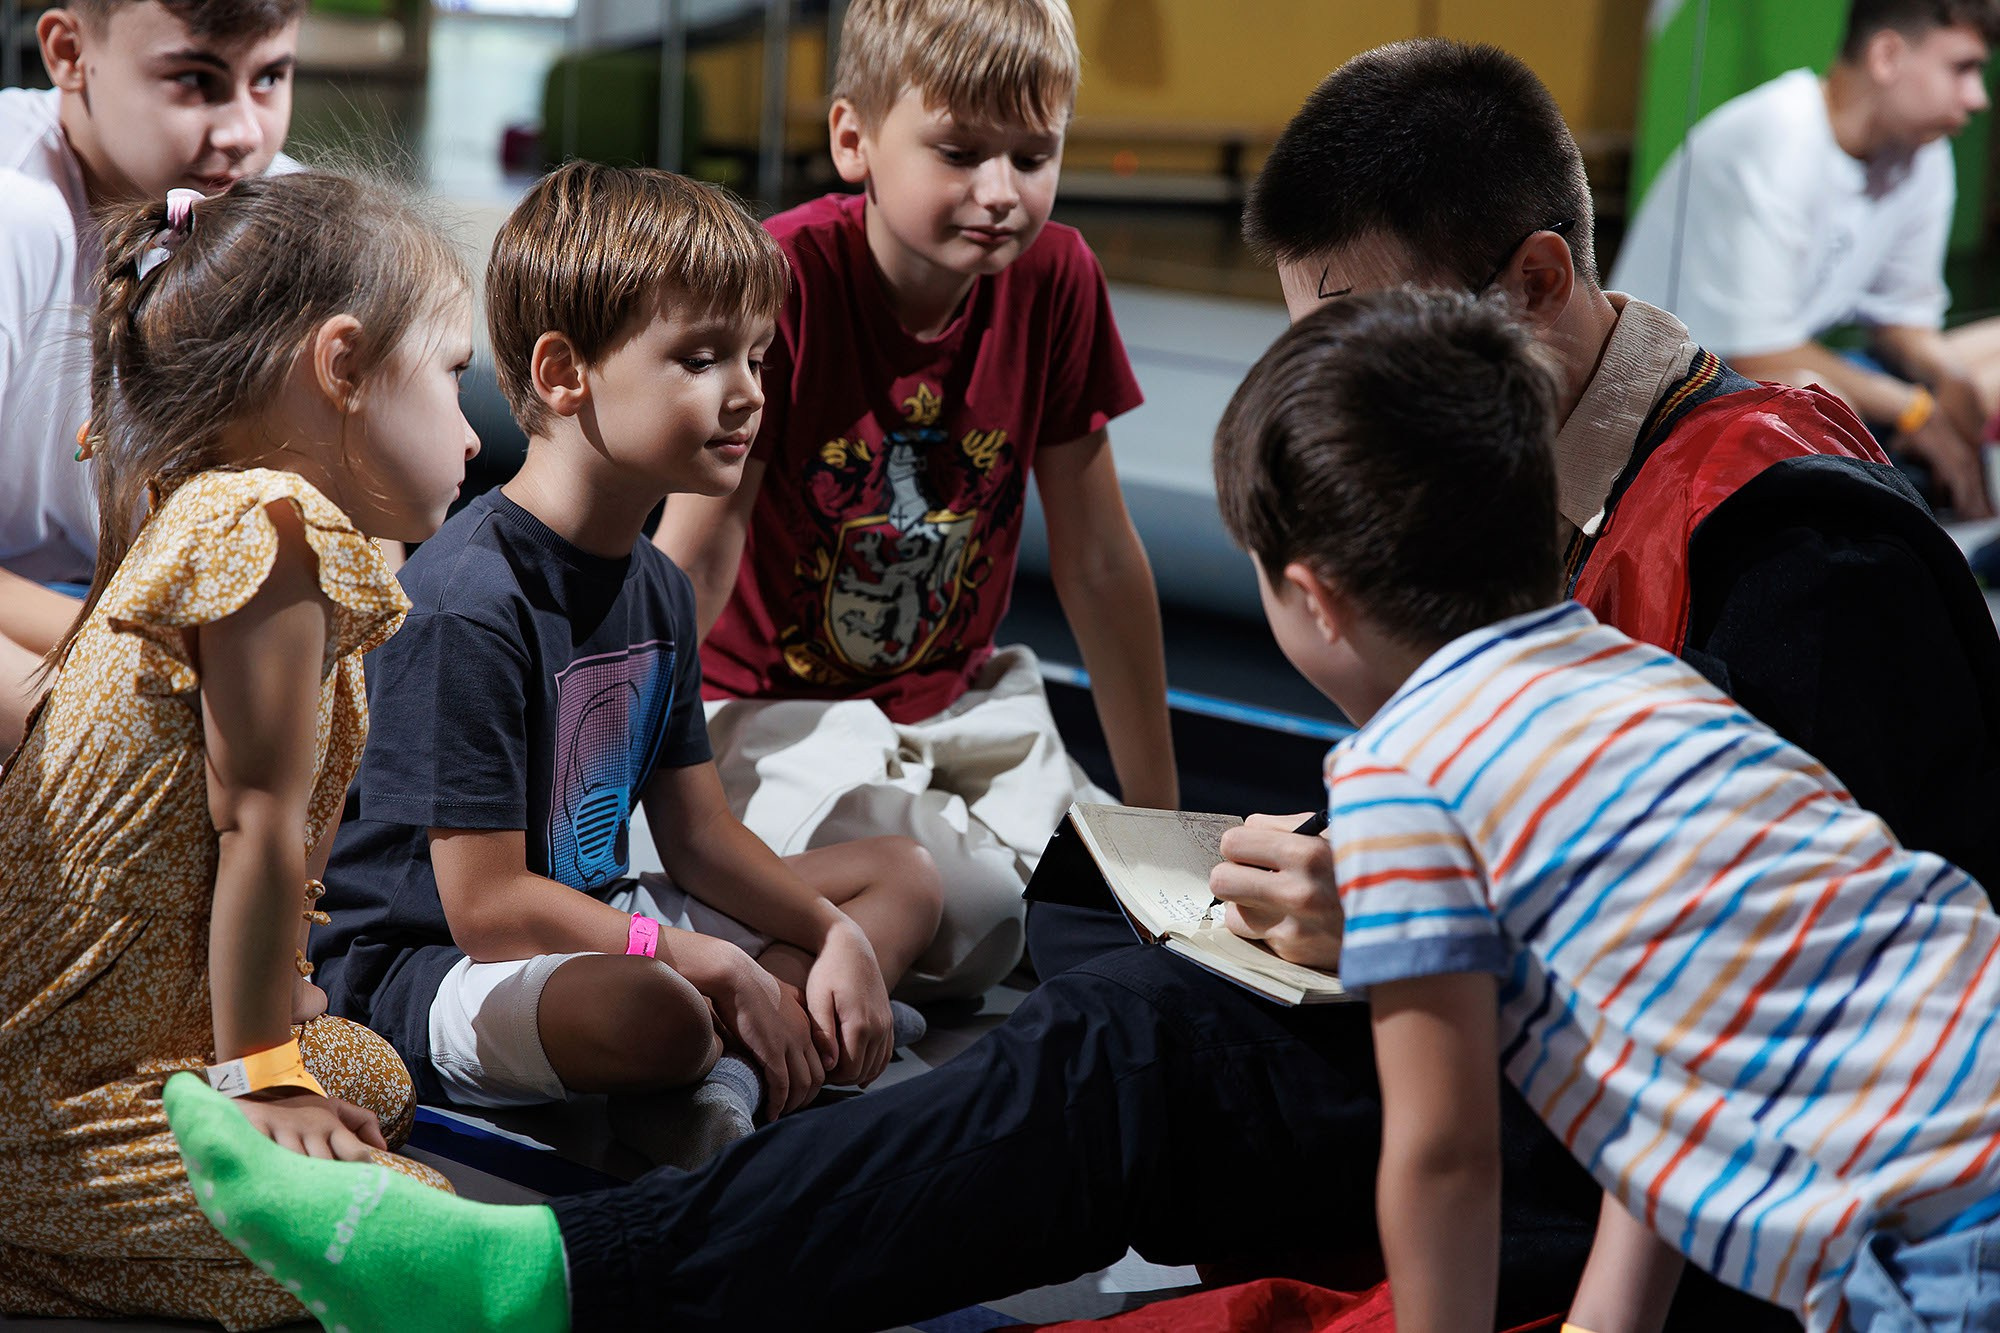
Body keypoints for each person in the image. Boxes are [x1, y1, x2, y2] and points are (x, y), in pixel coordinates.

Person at [157, 39, 2000, 1333]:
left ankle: (561, 1281)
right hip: (1675, 1133)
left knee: (1123, 1043)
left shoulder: (1787, 539)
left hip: (1815, 1200)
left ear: (1528, 283)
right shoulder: (1543, 524)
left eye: (1356, 332)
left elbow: (1779, 1008)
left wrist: (1426, 913)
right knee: (1104, 972)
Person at [1215, 289, 2000, 1333]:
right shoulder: (1645, 679)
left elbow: (1445, 1156)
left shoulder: (1401, 776)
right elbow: (1678, 1038)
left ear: (1311, 597)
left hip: (1922, 1224)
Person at [311, 161, 943, 1160]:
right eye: (700, 360)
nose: (745, 395)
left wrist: (834, 932)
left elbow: (697, 837)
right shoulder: (467, 598)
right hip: (434, 969)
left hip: (602, 917)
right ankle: (743, 1041)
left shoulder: (652, 582)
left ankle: (728, 1070)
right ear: (564, 375)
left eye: (757, 359)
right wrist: (703, 959)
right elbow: (485, 907)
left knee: (903, 877)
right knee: (656, 1010)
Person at [0, 171, 478, 1327]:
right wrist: (262, 1070)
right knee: (423, 1236)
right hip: (46, 1102)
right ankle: (46, 1230)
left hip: (130, 1053)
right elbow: (252, 823)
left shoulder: (220, 506)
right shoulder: (268, 525)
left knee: (370, 1076)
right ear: (345, 365)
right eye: (455, 376)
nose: (471, 432)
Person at [653, 0, 1177, 999]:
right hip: (772, 709)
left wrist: (1160, 828)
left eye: (1031, 158)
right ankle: (748, 979)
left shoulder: (1056, 281)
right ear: (852, 138)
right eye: (959, 152)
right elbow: (697, 553)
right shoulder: (785, 282)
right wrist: (619, 770)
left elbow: (1101, 562)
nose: (998, 193)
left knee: (1101, 903)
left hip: (958, 706)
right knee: (970, 903)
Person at [0, 0, 305, 755]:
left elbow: (342, 526)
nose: (242, 133)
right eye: (196, 80)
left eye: (269, 77)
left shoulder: (282, 213)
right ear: (70, 53)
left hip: (152, 621)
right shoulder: (17, 210)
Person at [1611, 0, 2000, 519]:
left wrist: (1951, 379)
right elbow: (1758, 354)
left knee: (1982, 367)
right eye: (1963, 68)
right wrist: (1915, 411)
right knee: (1814, 392)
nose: (1979, 98)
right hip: (1668, 398)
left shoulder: (1922, 154)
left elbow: (1900, 320)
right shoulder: (1773, 138)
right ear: (1887, 55)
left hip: (1779, 374)